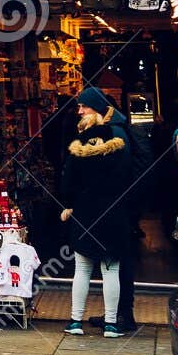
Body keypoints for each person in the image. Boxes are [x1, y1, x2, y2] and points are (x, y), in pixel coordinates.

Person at [59, 95, 135, 339]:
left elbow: (68, 180)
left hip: (85, 212)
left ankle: (75, 321)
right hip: (114, 212)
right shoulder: (118, 141)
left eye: (82, 107)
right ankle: (111, 324)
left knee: (82, 268)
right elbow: (127, 175)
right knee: (110, 269)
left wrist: (69, 204)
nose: (78, 112)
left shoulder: (78, 144)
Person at [101, 89, 152, 335]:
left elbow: (114, 174)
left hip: (120, 205)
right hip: (128, 204)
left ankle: (121, 315)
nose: (80, 113)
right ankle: (118, 312)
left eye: (85, 109)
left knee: (118, 260)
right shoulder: (125, 129)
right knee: (119, 258)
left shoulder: (115, 134)